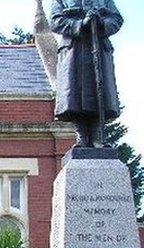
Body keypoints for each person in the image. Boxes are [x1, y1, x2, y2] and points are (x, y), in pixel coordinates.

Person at [50, 0, 123, 148]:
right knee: (75, 95)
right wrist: (81, 24)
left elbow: (116, 19)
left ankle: (98, 136)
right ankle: (81, 136)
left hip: (99, 49)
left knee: (100, 92)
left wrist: (101, 23)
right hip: (74, 51)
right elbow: (55, 21)